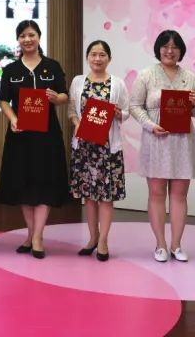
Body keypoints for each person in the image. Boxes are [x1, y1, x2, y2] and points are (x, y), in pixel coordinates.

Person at [128, 30, 195, 263]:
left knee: (180, 195)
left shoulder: (190, 77)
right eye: (165, 46)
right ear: (158, 49)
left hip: (182, 142)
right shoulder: (146, 75)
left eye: (175, 47)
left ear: (181, 51)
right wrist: (150, 125)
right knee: (157, 194)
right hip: (156, 140)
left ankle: (176, 245)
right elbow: (134, 106)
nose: (170, 51)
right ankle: (160, 244)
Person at [0, 20, 70, 259]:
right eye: (22, 36)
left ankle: (37, 237)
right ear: (18, 40)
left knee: (44, 184)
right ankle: (30, 234)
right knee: (24, 185)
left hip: (47, 136)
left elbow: (65, 95)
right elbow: (3, 100)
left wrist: (55, 98)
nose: (27, 40)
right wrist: (13, 118)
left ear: (39, 37)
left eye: (31, 35)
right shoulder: (11, 70)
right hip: (20, 135)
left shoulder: (52, 66)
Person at [68, 40, 129, 262]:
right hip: (84, 147)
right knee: (89, 197)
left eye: (102, 54)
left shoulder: (117, 83)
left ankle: (103, 241)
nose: (97, 58)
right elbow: (72, 110)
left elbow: (126, 112)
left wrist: (118, 113)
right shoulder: (78, 82)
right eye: (93, 54)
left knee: (106, 197)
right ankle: (92, 238)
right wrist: (77, 124)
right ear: (88, 57)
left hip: (107, 149)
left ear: (109, 59)